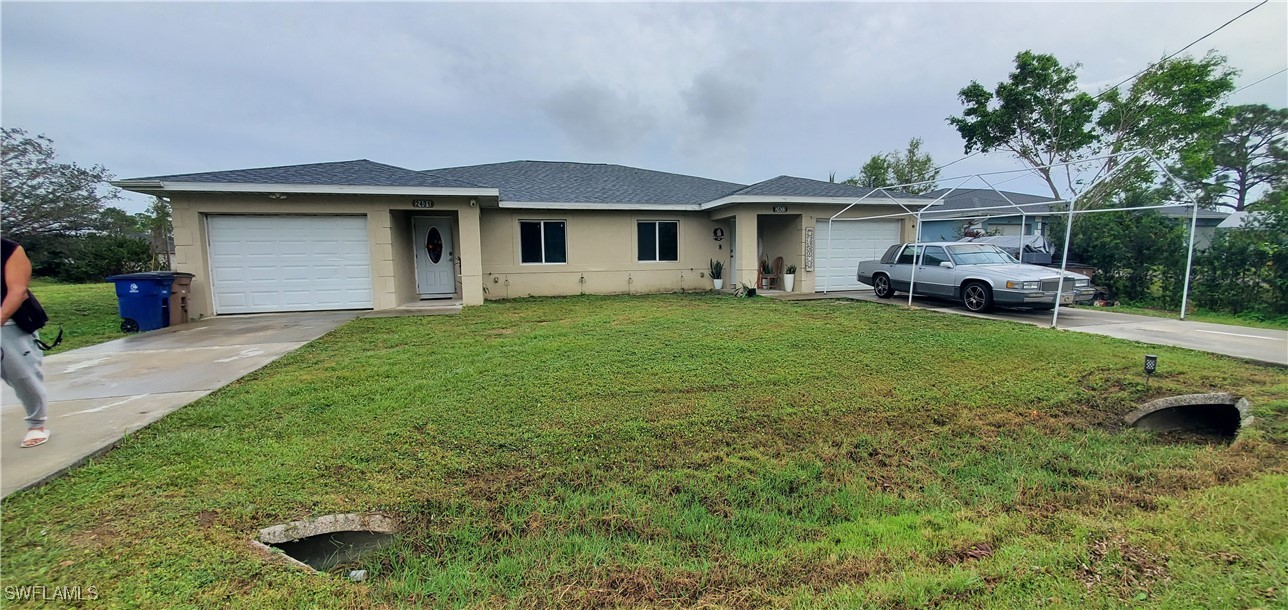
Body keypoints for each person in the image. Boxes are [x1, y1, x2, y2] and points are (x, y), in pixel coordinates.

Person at [1, 237, 49, 448]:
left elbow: (18, 292)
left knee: (23, 376)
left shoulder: (8, 249)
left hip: (8, 324)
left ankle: (36, 425)